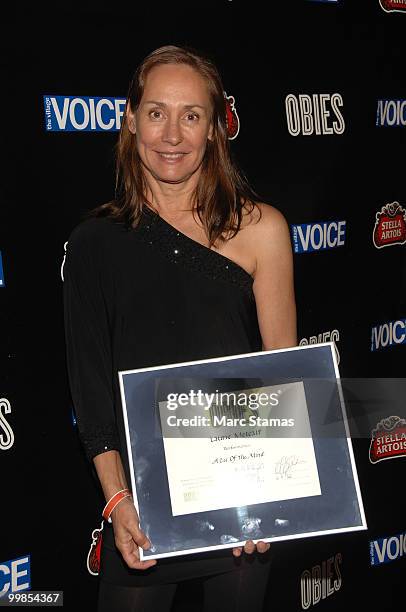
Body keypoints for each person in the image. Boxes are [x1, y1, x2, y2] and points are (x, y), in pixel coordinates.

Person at [63, 45, 297, 612]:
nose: (172, 134)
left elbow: (283, 379)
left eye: (191, 116)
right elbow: (92, 391)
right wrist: (118, 502)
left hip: (238, 502)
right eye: (156, 113)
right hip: (141, 508)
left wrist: (269, 499)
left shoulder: (261, 229)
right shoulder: (95, 242)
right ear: (130, 120)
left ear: (215, 130)